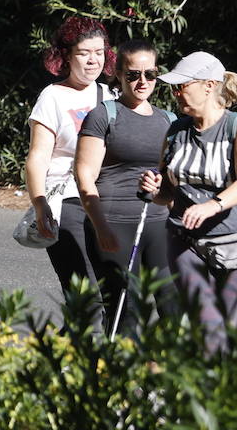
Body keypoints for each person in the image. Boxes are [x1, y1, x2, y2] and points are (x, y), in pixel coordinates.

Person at [140, 52, 237, 355]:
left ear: (209, 86)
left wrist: (212, 205)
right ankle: (197, 390)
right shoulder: (176, 130)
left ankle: (220, 388)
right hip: (185, 240)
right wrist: (153, 188)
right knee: (204, 321)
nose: (176, 93)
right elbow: (165, 192)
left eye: (182, 86)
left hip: (234, 242)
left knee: (221, 325)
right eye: (174, 88)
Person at [75, 39, 180, 336]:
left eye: (151, 74)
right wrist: (100, 227)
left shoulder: (168, 120)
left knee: (173, 308)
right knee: (126, 314)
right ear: (118, 74)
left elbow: (172, 182)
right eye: (133, 74)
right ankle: (117, 380)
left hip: (158, 226)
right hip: (114, 225)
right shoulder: (104, 115)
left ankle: (165, 379)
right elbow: (84, 177)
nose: (143, 81)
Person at [25, 16, 116, 294]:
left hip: (105, 200)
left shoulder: (110, 95)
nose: (93, 60)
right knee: (83, 293)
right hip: (65, 202)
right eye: (84, 53)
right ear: (66, 56)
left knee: (111, 291)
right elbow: (38, 157)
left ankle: (74, 339)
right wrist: (41, 206)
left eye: (99, 53)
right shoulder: (52, 97)